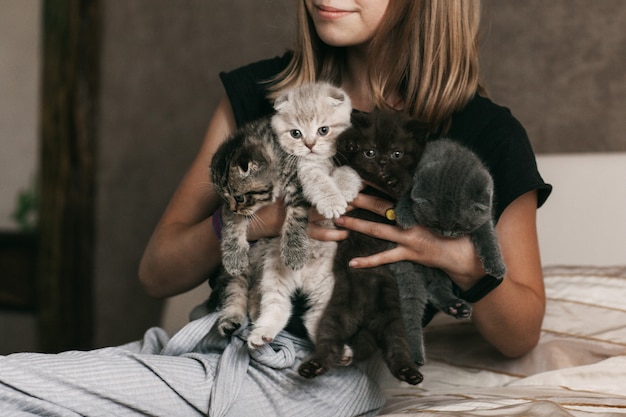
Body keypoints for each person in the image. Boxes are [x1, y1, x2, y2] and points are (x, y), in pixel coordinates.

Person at [0, 1, 551, 415]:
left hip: (311, 375)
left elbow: (521, 332)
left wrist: (453, 258)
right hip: (209, 341)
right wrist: (260, 218)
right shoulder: (261, 94)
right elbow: (156, 271)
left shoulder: (484, 135)